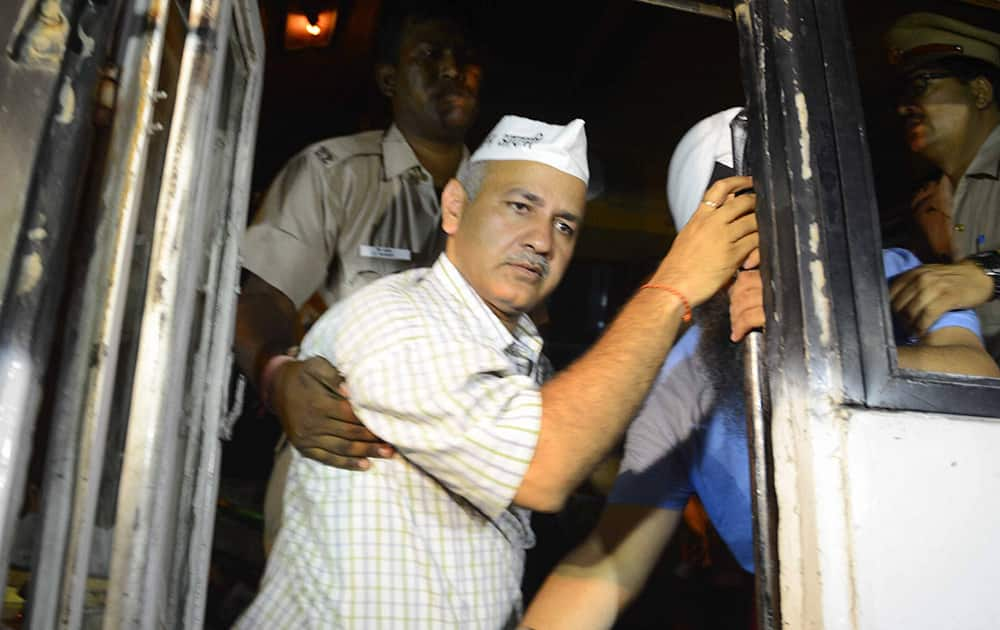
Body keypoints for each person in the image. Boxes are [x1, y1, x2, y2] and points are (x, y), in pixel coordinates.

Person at [234, 114, 759, 629]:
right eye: (519, 207)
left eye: (564, 225)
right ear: (455, 207)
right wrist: (675, 287)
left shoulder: (520, 358)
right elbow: (545, 467)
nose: (541, 240)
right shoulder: (396, 323)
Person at [519, 108, 1000, 630]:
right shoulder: (682, 383)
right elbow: (608, 564)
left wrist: (816, 348)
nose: (762, 271)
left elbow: (979, 377)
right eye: (739, 254)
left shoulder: (887, 276)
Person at [233, 4, 483, 550]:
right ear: (390, 79)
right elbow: (261, 301)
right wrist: (278, 376)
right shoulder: (333, 173)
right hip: (346, 462)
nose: (451, 69)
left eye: (464, 58)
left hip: (462, 485)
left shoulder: (503, 197)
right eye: (430, 55)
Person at [885, 13, 1000, 360]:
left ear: (979, 92)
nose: (904, 107)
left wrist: (986, 274)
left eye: (923, 84)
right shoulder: (927, 204)